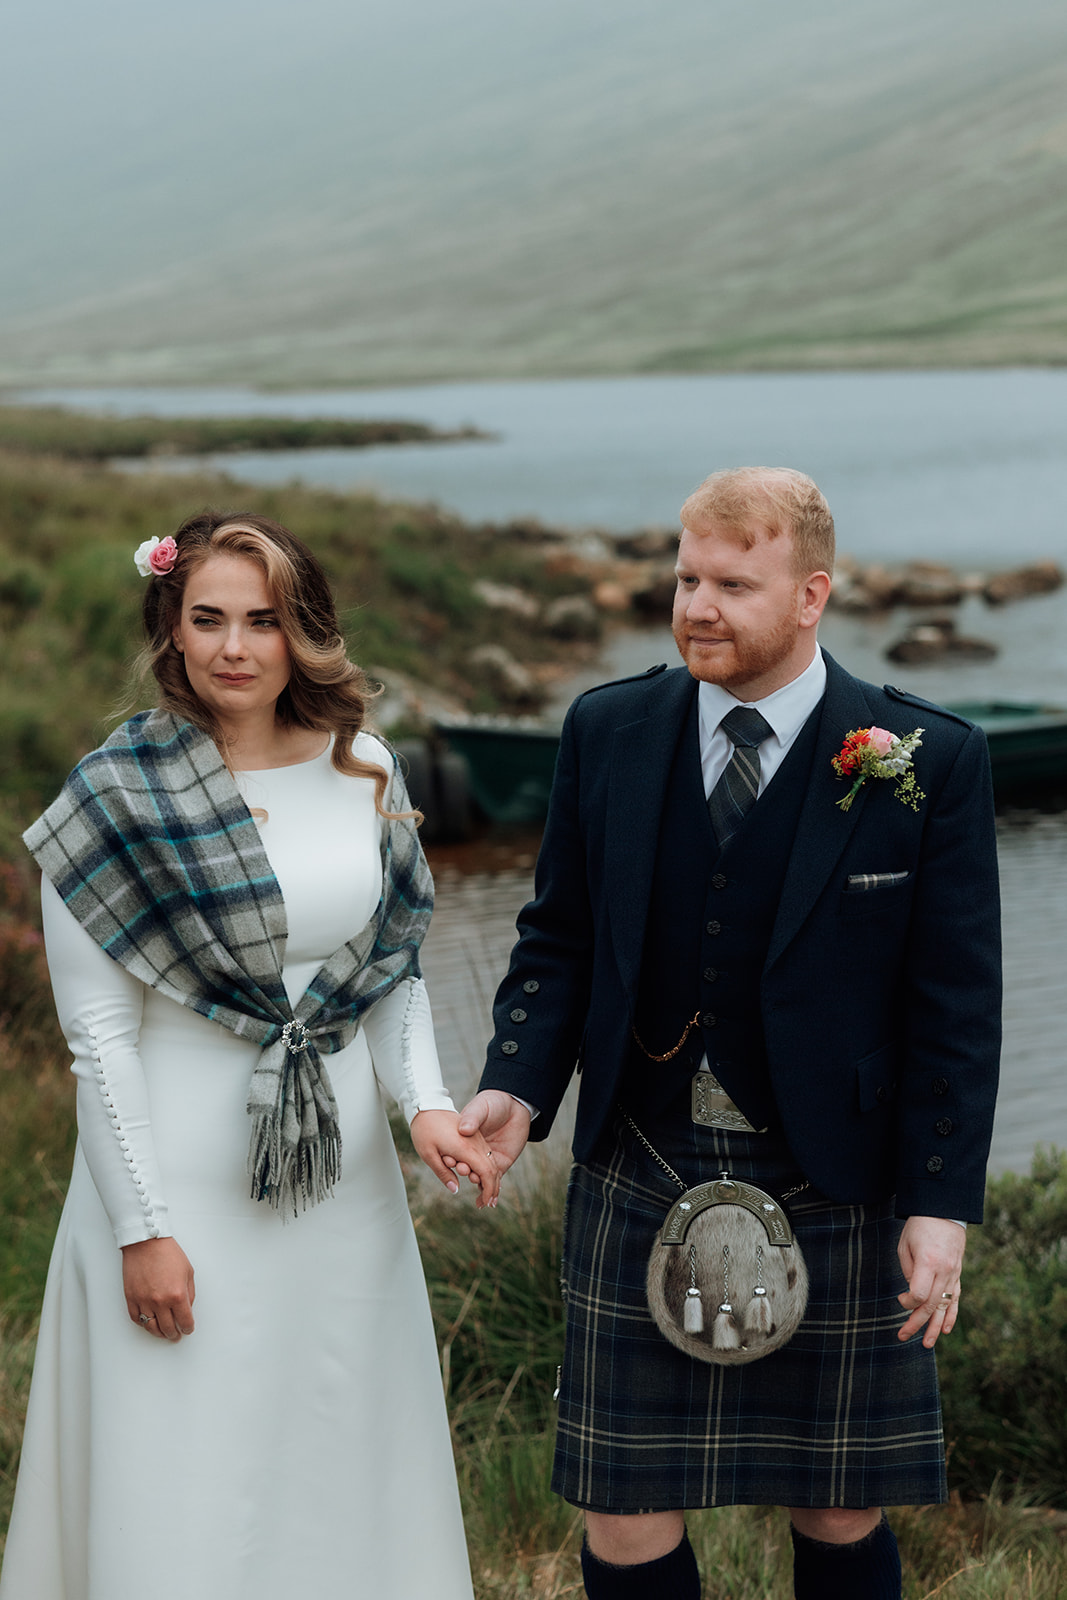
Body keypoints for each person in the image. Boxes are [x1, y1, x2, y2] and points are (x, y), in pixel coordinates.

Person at [459, 467, 1001, 1600]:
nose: (697, 607)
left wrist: (939, 1201)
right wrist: (517, 1083)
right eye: (685, 580)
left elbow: (953, 1002)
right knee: (621, 1508)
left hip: (836, 1171)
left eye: (731, 586)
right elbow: (557, 937)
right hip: (640, 1153)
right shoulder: (606, 729)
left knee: (839, 1503)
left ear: (810, 595)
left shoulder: (923, 756)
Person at [2, 511, 497, 1600]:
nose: (234, 647)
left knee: (338, 1448)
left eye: (262, 621)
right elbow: (99, 1043)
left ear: (301, 631)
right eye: (208, 619)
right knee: (186, 1465)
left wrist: (424, 1106)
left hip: (343, 1187)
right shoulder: (114, 797)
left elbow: (388, 970)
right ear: (170, 629)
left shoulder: (362, 765)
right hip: (178, 1188)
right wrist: (143, 1231)